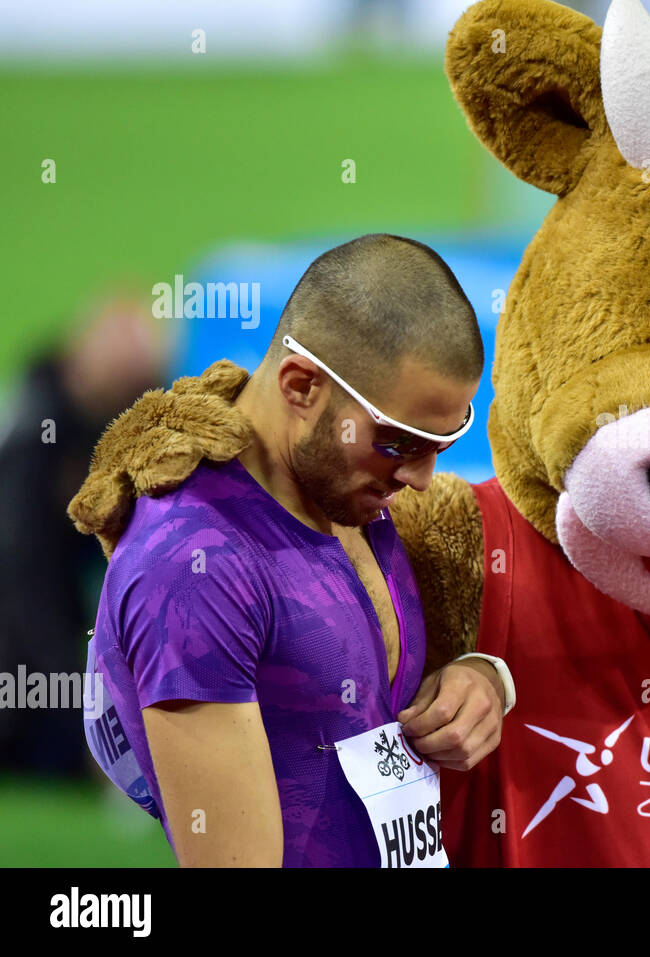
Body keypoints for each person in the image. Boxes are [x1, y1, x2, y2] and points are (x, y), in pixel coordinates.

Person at [71, 234, 512, 867]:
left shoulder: (351, 496)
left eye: (444, 439)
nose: (420, 476)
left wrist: (483, 679)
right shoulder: (196, 568)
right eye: (398, 441)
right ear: (301, 386)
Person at [0, 293, 169, 776]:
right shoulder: (35, 435)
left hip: (64, 594)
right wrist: (82, 713)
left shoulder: (129, 427)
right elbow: (23, 578)